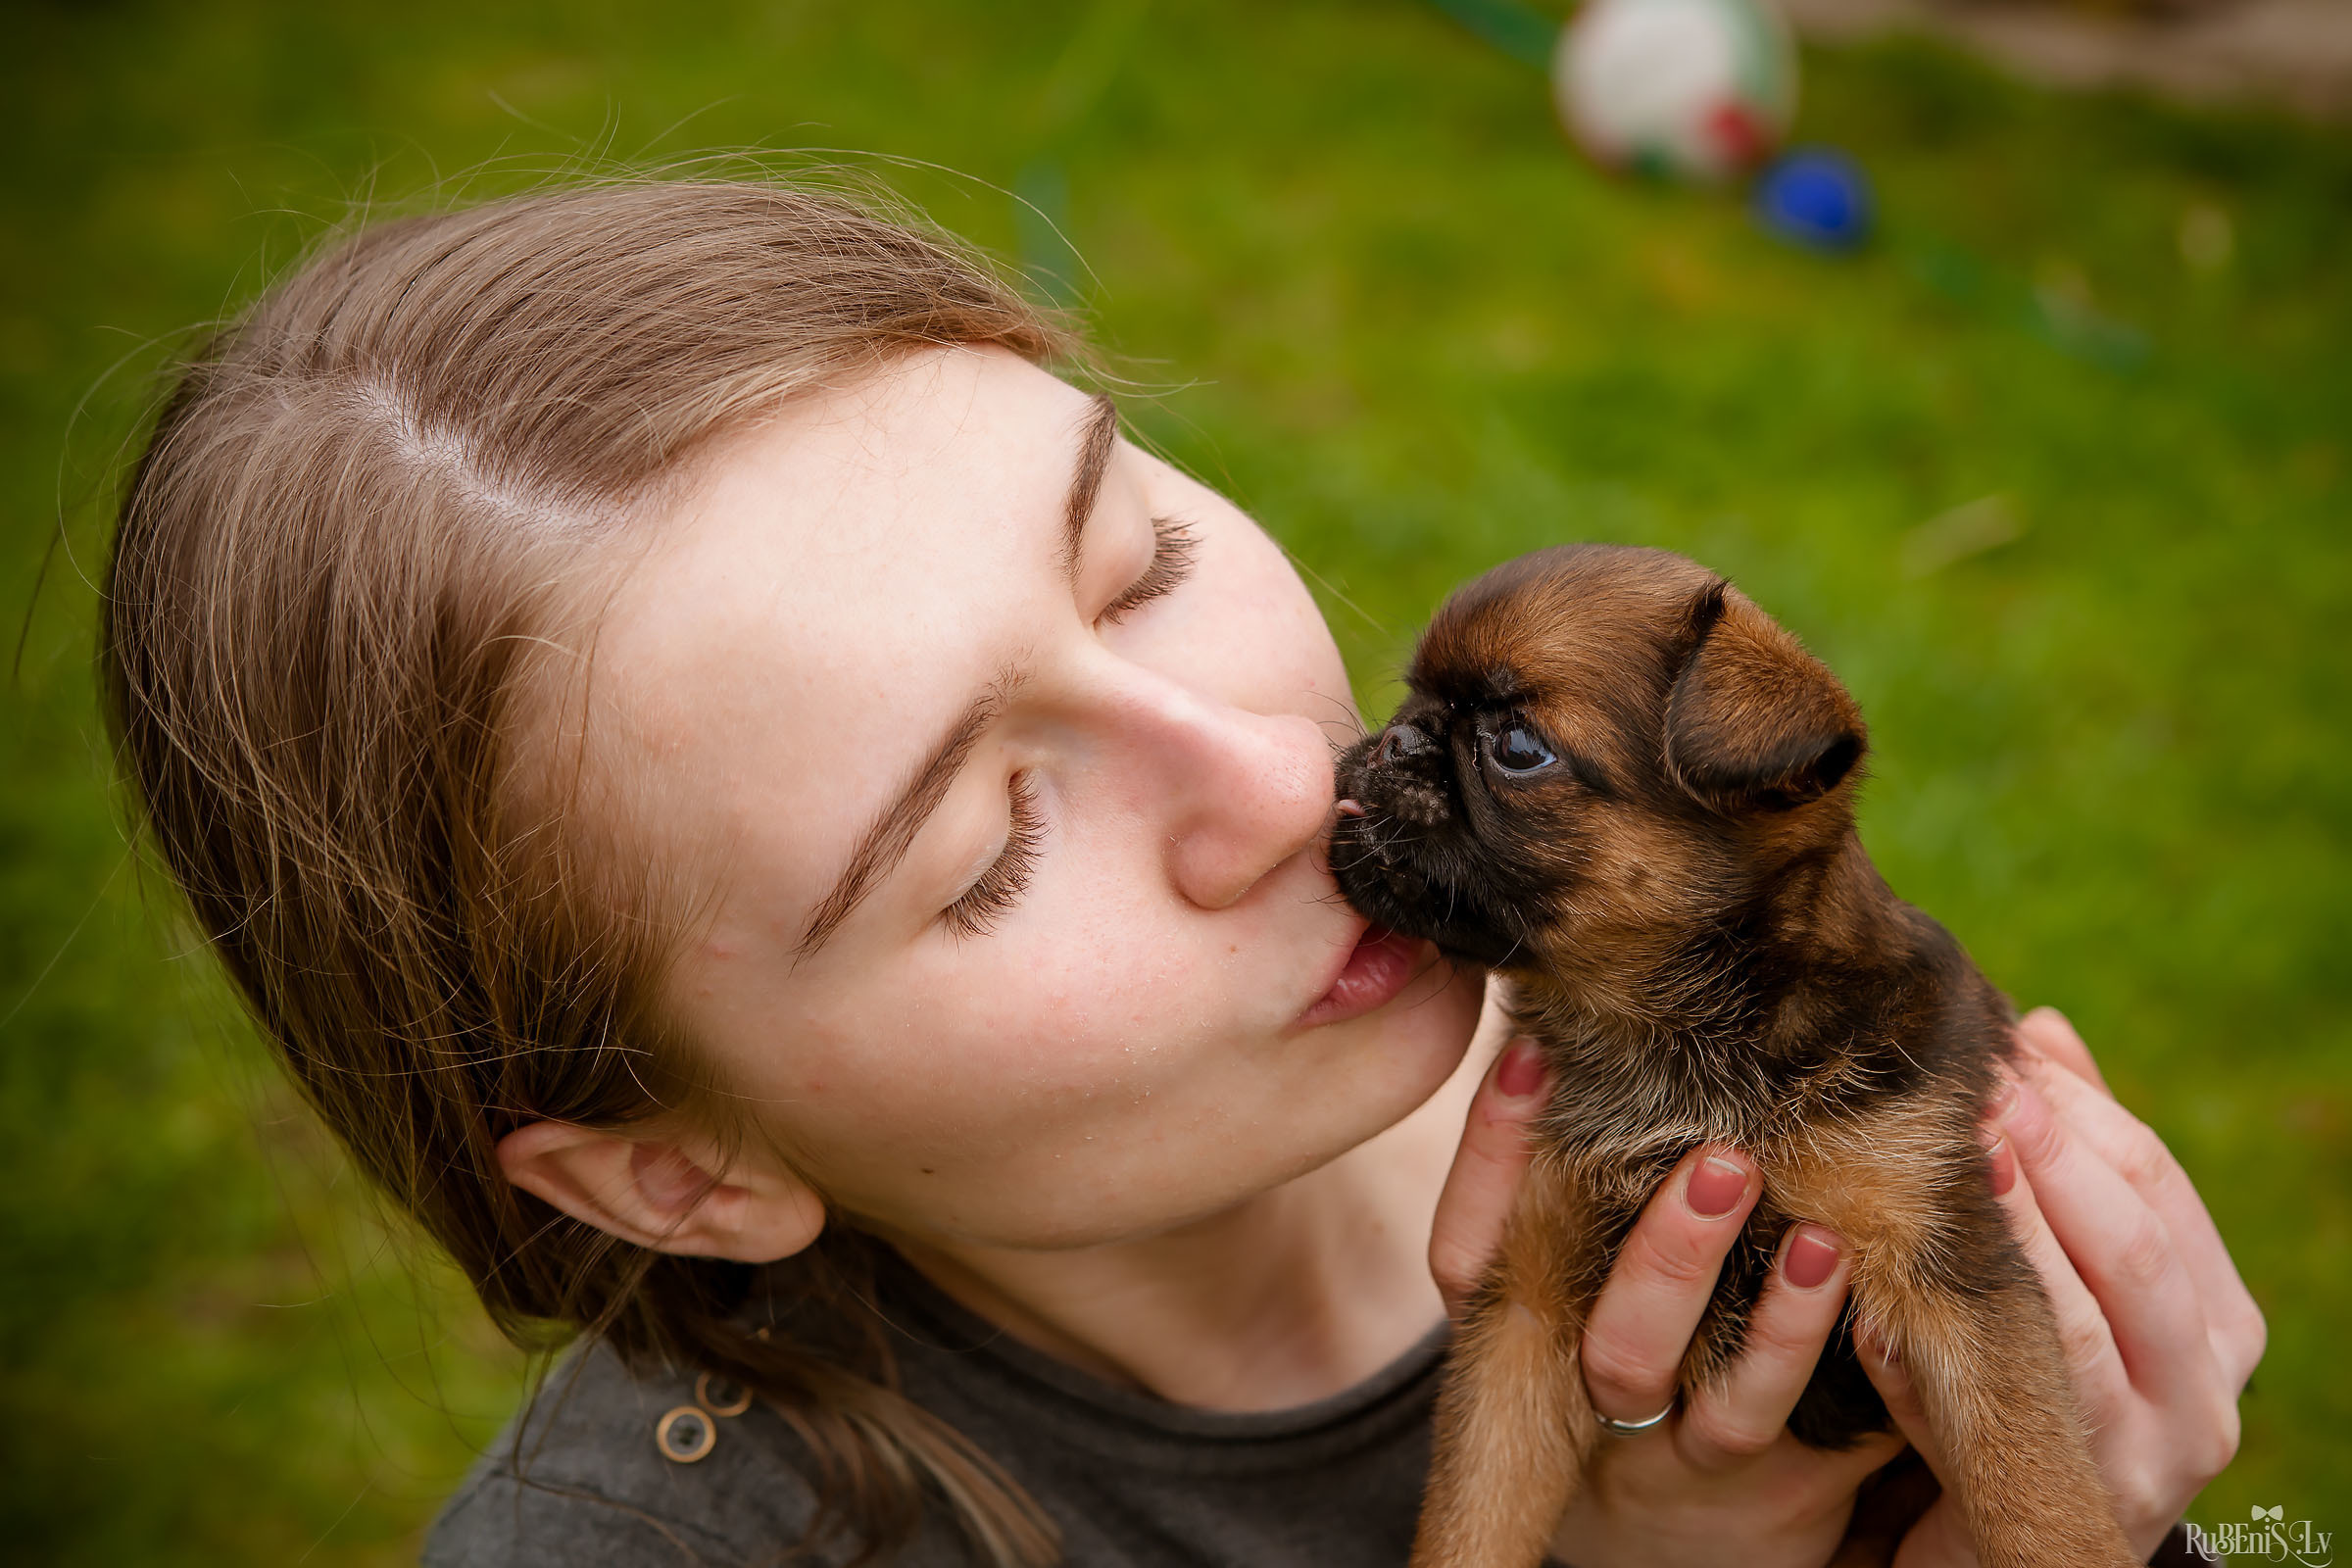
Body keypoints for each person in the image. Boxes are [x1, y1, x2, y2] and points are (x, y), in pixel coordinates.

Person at [101, 178, 2261, 1568]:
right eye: (984, 849)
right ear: (678, 1170)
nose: (1266, 775)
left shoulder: (1641, 1038)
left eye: (1135, 561)